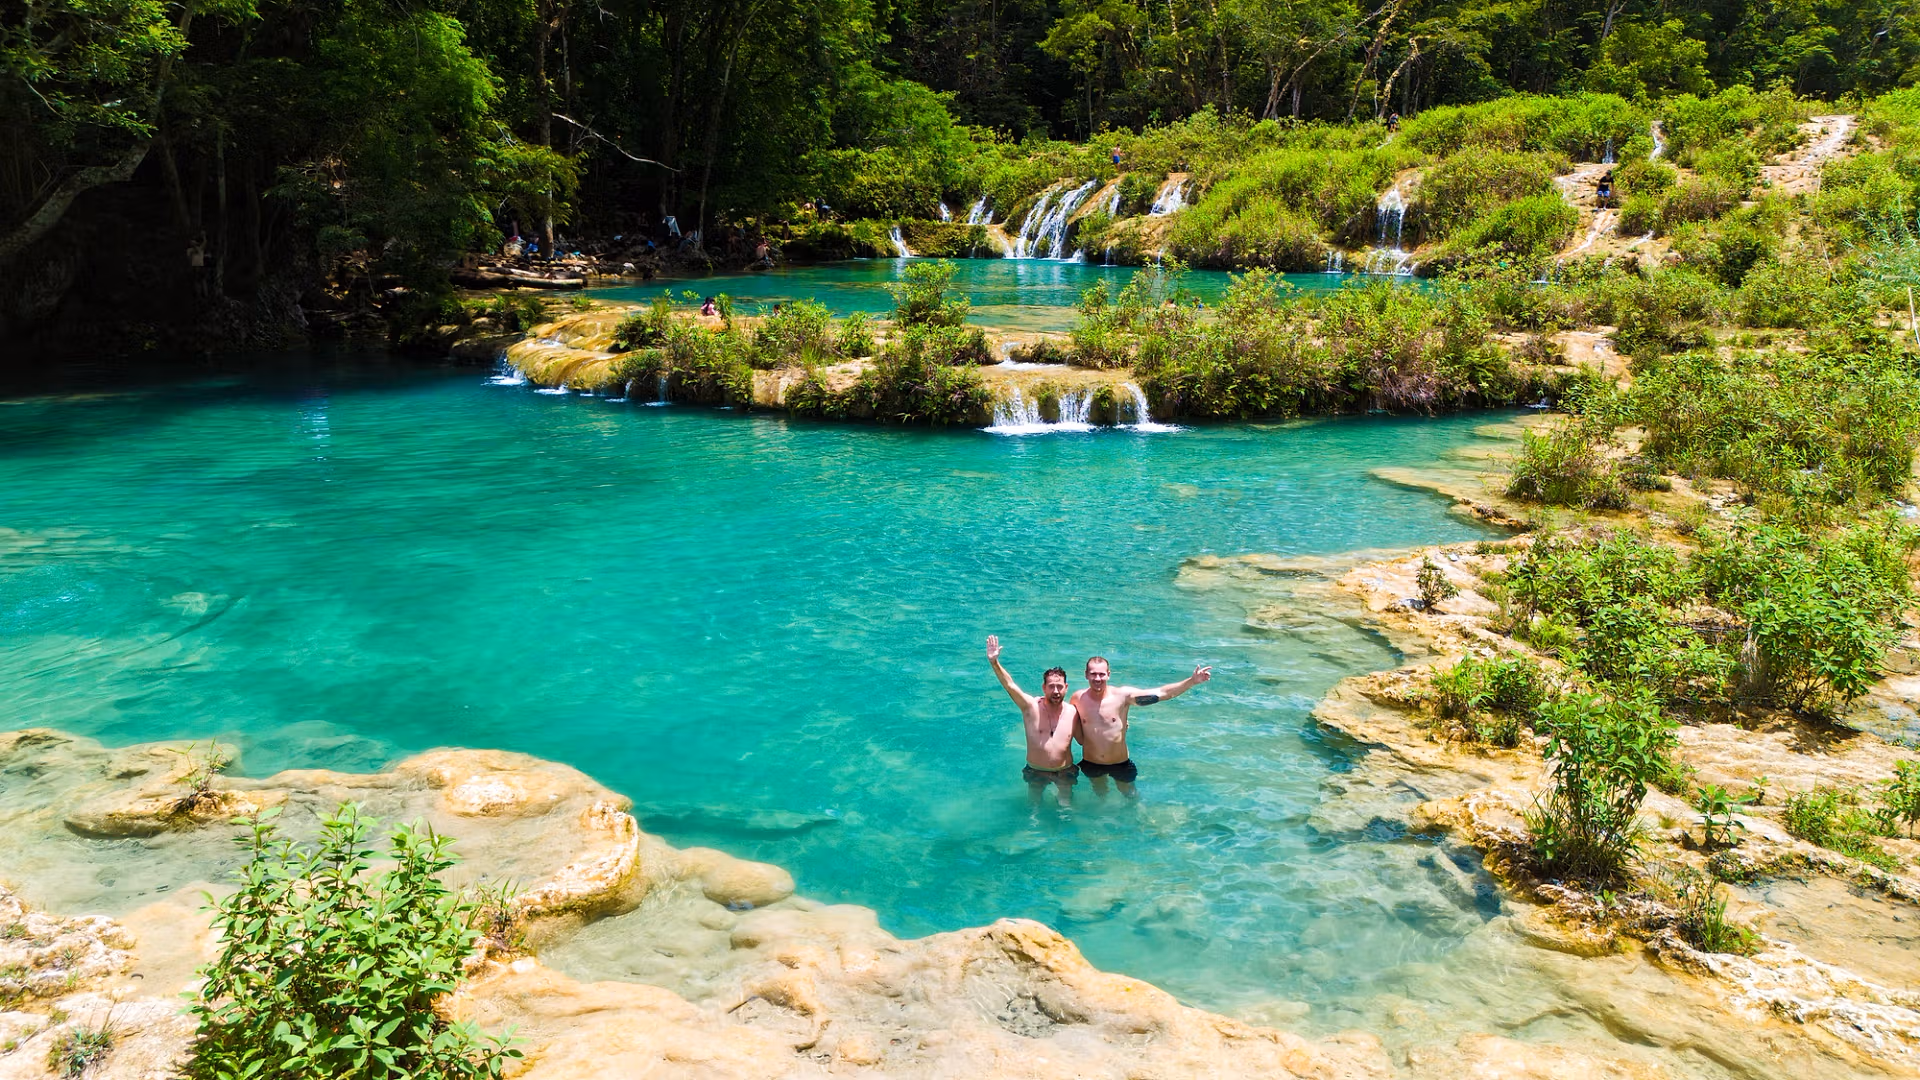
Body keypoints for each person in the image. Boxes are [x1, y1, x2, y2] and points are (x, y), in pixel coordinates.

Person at [1071, 655, 1211, 797]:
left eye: (1101, 674)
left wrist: (1191, 681)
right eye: (1093, 674)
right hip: (1091, 763)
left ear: (1108, 674)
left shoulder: (1122, 696)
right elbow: (1068, 723)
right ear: (1086, 674)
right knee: (1100, 793)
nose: (1097, 678)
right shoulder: (1078, 698)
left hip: (1119, 763)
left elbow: (1161, 693)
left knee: (1131, 795)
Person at [986, 635, 1079, 808]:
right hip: (1036, 770)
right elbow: (1010, 685)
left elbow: (1088, 735)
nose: (1056, 691)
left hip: (1064, 771)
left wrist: (1120, 727)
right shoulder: (1030, 707)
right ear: (1044, 688)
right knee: (1033, 810)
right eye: (1051, 686)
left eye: (1060, 686)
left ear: (1066, 687)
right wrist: (994, 662)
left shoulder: (1073, 711)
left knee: (1065, 809)